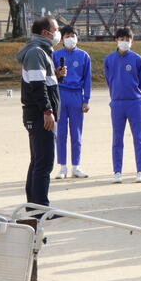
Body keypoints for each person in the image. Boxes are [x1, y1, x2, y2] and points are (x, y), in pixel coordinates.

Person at [17, 16, 63, 207]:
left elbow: (43, 81)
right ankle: (41, 207)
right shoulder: (36, 52)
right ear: (45, 32)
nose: (58, 33)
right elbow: (37, 85)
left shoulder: (41, 51)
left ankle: (33, 204)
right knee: (44, 161)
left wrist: (57, 76)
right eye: (56, 29)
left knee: (38, 160)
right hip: (39, 114)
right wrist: (47, 110)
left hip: (36, 113)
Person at [104, 27, 141, 184]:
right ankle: (117, 171)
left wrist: (138, 97)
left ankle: (140, 171)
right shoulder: (109, 59)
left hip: (134, 103)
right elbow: (109, 80)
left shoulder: (137, 59)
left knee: (138, 137)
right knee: (117, 138)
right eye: (121, 39)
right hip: (117, 103)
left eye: (127, 39)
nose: (124, 42)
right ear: (116, 40)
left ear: (132, 41)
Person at [52, 25, 91, 179]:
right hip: (60, 94)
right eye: (67, 36)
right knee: (61, 133)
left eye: (73, 36)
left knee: (76, 133)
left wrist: (86, 100)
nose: (70, 39)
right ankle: (62, 167)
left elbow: (87, 80)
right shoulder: (56, 55)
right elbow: (51, 77)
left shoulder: (84, 56)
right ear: (62, 39)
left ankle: (76, 166)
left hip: (76, 96)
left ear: (77, 38)